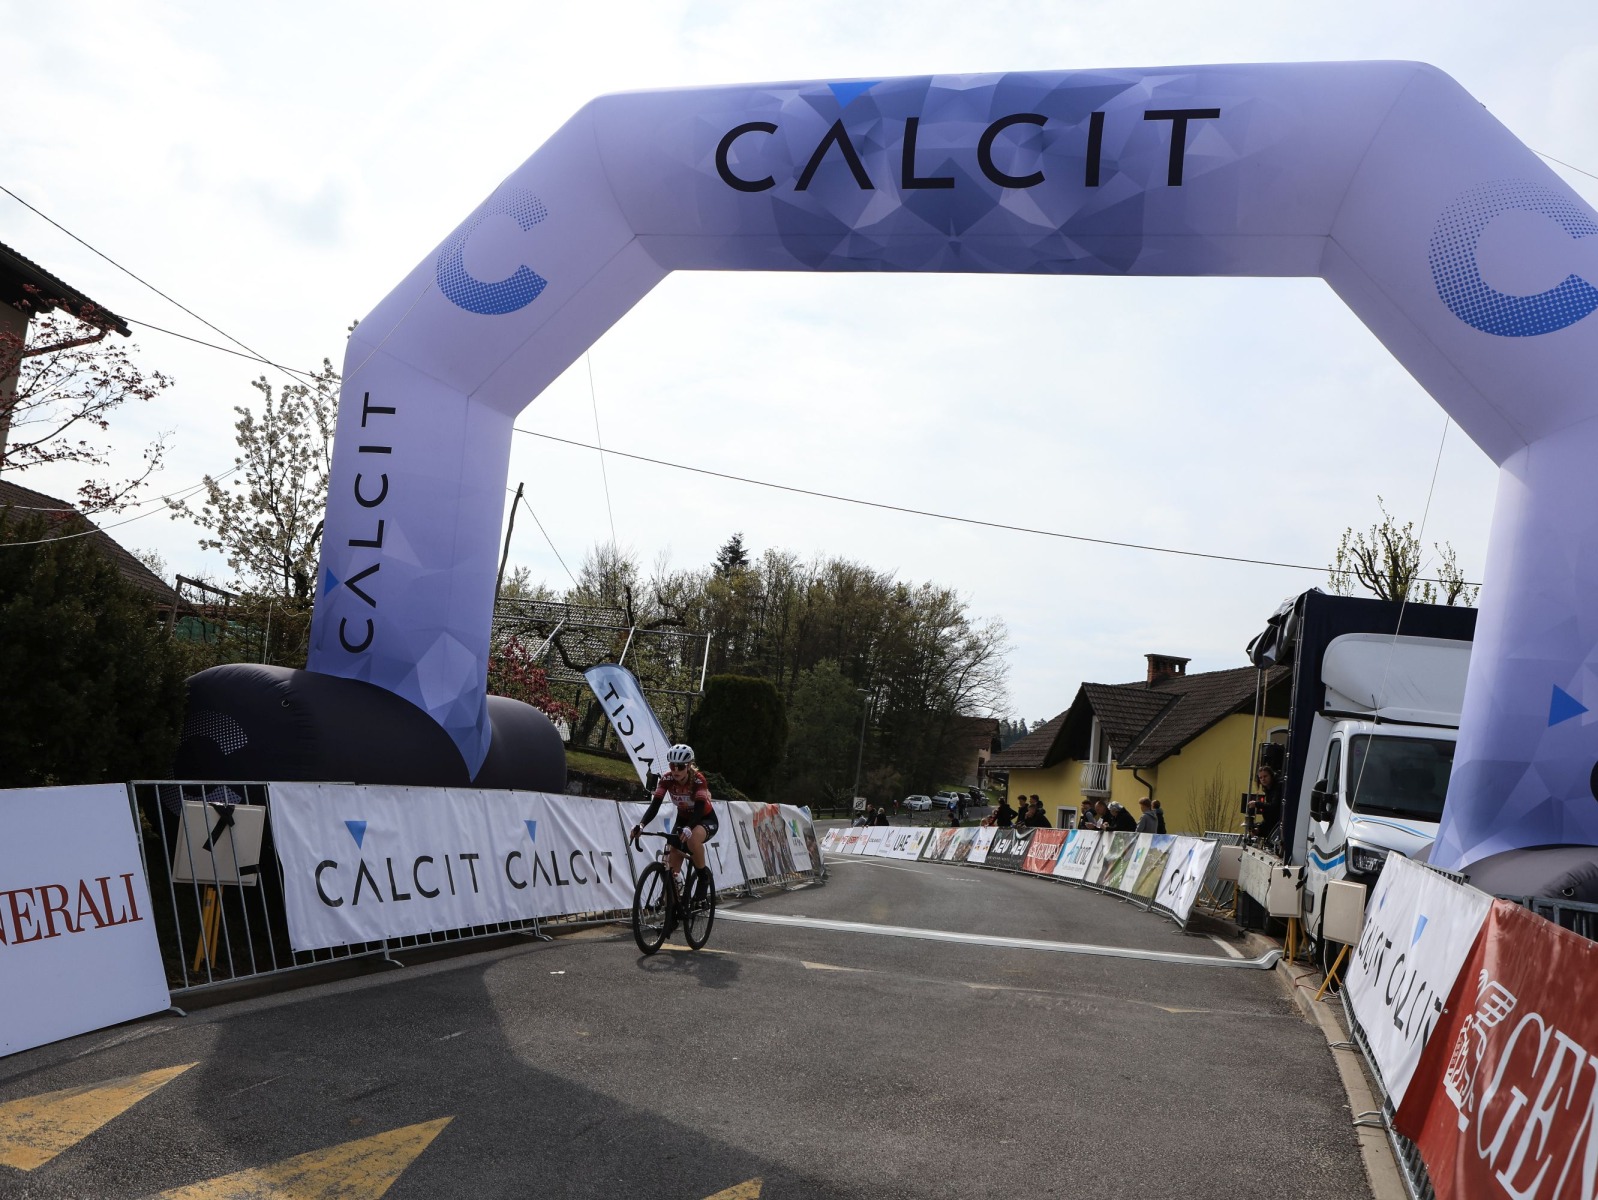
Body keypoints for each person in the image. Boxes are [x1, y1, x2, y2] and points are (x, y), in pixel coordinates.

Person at [630, 743, 717, 888]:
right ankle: (673, 893)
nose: (676, 770)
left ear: (689, 766)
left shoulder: (698, 780)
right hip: (683, 819)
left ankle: (703, 879)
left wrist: (689, 827)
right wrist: (641, 824)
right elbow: (655, 805)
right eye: (672, 766)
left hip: (704, 818)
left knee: (692, 840)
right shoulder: (666, 780)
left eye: (680, 767)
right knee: (670, 872)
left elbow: (699, 809)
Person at [1248, 765, 1284, 846]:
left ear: (1271, 775)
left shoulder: (1278, 786)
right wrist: (1259, 829)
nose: (1263, 779)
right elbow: (1269, 816)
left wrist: (1257, 804)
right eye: (1260, 778)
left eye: (1265, 776)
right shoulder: (1268, 789)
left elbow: (1274, 807)